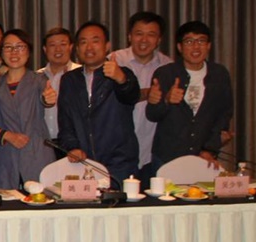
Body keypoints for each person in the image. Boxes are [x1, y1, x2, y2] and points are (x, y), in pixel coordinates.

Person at [58, 22, 141, 187]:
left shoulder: (122, 73)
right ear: (77, 49)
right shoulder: (69, 80)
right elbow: (65, 122)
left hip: (119, 165)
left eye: (95, 41)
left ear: (107, 46)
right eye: (83, 42)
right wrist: (73, 147)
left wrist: (121, 79)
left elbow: (131, 96)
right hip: (84, 164)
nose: (89, 47)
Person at [147, 21, 233, 170]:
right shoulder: (165, 73)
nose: (196, 47)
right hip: (167, 157)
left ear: (209, 46)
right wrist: (166, 100)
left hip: (203, 157)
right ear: (179, 47)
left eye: (201, 41)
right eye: (189, 42)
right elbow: (152, 114)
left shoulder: (219, 74)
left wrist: (209, 150)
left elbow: (224, 116)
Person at [0, 30, 56, 189]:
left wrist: (48, 100)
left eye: (20, 47)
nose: (14, 52)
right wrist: (7, 135)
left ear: (29, 51)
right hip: (5, 156)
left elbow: (45, 98)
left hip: (36, 153)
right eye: (8, 47)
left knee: (40, 199)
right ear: (1, 53)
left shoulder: (39, 80)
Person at [110, 12, 172, 177]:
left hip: (153, 152)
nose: (144, 40)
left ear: (159, 39)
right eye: (139, 34)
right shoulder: (114, 61)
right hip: (117, 153)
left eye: (151, 35)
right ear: (129, 36)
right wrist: (147, 93)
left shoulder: (169, 67)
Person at [36, 27, 81, 156]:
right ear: (45, 49)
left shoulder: (81, 74)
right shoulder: (36, 77)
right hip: (43, 145)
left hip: (74, 145)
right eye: (52, 45)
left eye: (63, 44)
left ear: (71, 47)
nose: (58, 49)